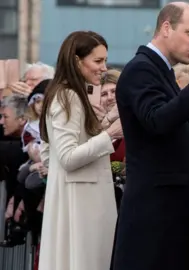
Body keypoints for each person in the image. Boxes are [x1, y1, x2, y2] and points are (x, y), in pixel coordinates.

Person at [113, 2, 189, 270]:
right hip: (156, 212)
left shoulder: (158, 69)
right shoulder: (141, 69)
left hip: (170, 208)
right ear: (166, 27)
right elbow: (158, 120)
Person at [38, 31, 122, 270]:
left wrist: (104, 126)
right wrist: (111, 133)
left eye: (105, 60)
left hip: (73, 203)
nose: (104, 68)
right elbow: (67, 157)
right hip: (82, 207)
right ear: (77, 61)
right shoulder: (69, 96)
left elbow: (49, 153)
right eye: (98, 61)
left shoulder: (62, 94)